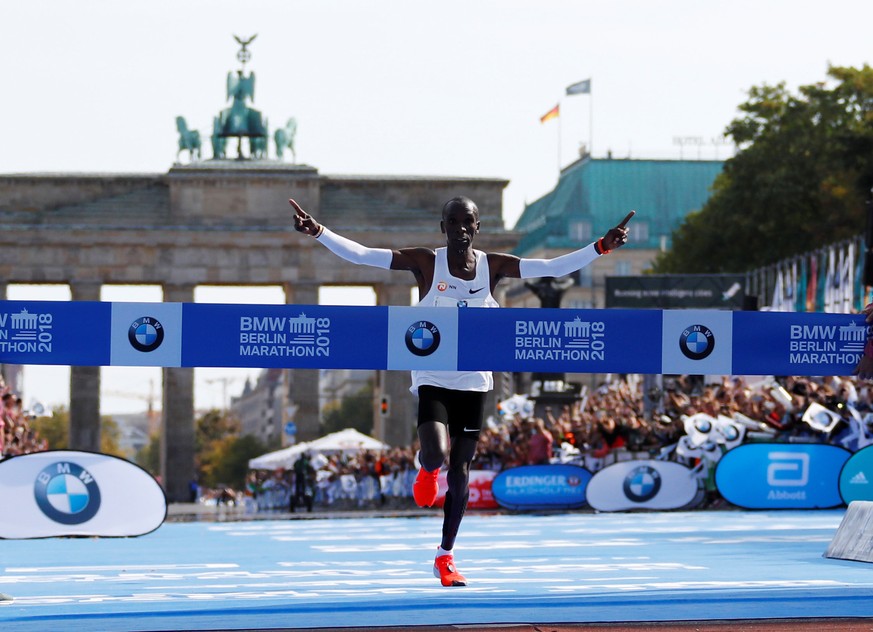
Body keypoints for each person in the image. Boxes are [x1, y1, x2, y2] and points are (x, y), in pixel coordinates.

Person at [290, 195, 632, 586]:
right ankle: (426, 467)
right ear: (443, 228)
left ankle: (445, 556)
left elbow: (552, 267)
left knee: (461, 470)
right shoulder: (425, 262)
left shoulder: (493, 267)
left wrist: (601, 247)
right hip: (433, 376)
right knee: (436, 452)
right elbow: (366, 255)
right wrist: (318, 232)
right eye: (453, 223)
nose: (460, 229)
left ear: (477, 227)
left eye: (467, 222)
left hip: (473, 381)